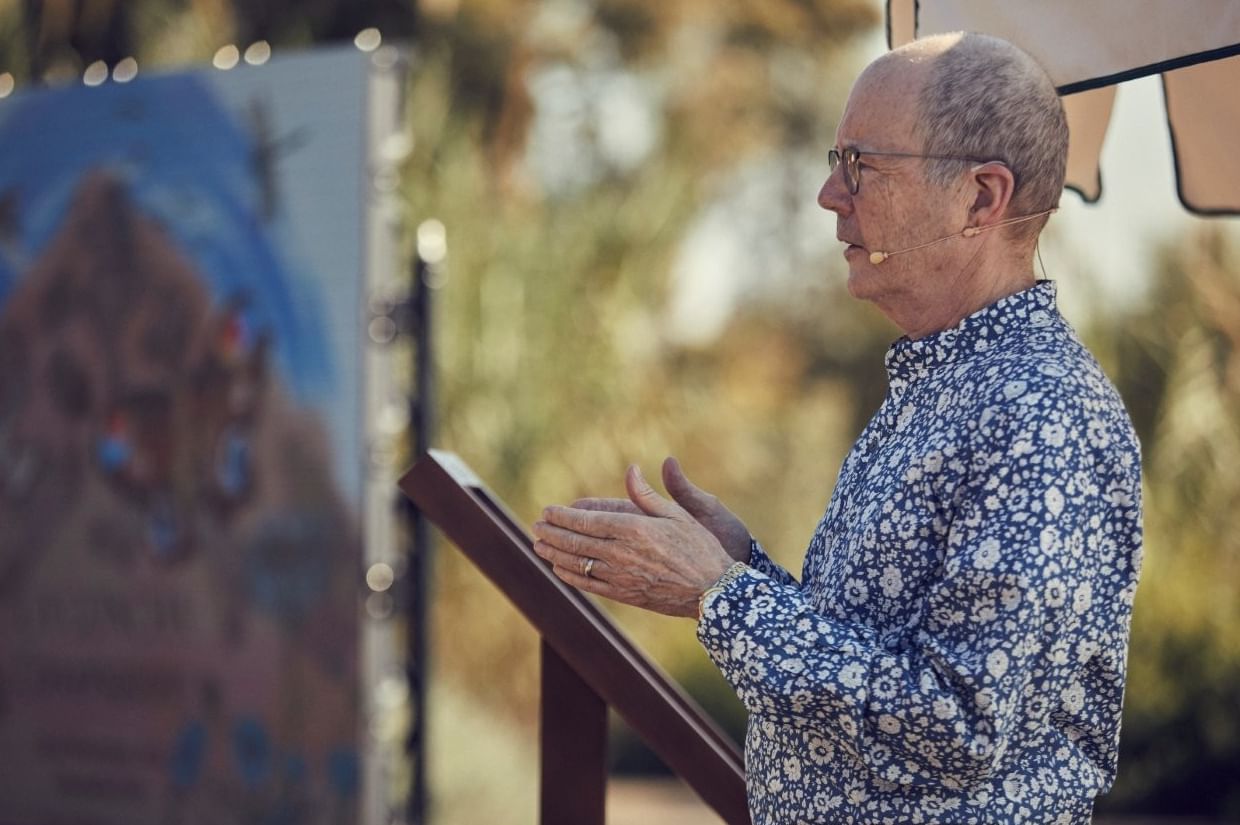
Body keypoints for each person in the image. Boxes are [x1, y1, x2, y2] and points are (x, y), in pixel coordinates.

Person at [532, 31, 1143, 825]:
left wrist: (722, 596)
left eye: (862, 165)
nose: (829, 194)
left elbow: (958, 723)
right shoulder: (948, 386)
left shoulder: (1040, 412)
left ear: (981, 199)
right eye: (836, 160)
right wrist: (739, 566)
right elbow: (872, 661)